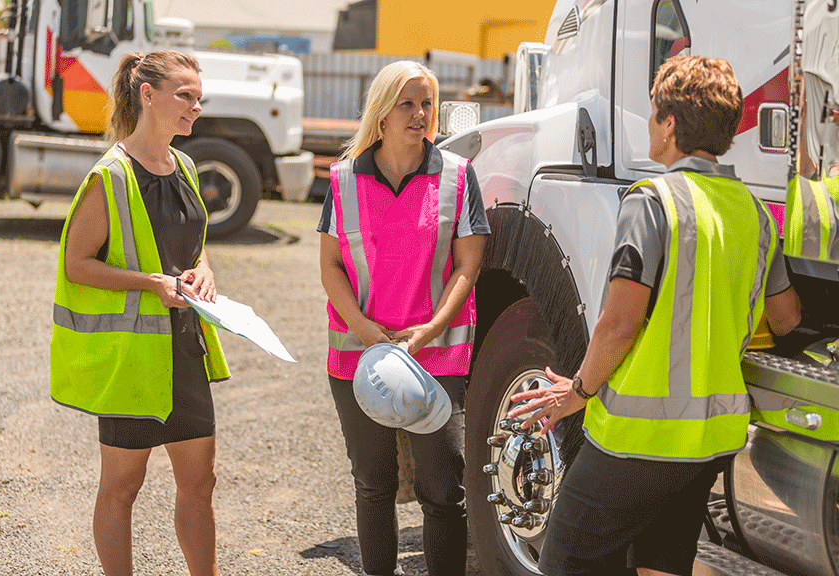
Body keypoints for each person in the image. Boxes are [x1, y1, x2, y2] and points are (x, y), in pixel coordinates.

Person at [508, 55, 802, 576]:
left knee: (567, 556)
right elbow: (786, 318)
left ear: (669, 125)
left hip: (637, 436)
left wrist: (577, 391)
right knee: (663, 563)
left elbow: (619, 324)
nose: (648, 124)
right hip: (710, 438)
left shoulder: (653, 201)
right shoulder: (753, 212)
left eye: (652, 114)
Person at [50, 51, 230, 576]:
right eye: (185, 96)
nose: (195, 107)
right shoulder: (110, 175)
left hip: (183, 348)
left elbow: (193, 246)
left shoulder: (188, 167)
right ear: (147, 95)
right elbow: (76, 265)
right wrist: (152, 284)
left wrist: (204, 270)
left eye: (199, 98)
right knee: (122, 489)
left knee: (201, 482)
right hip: (131, 360)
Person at [317, 60, 490, 576]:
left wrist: (432, 327)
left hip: (436, 356)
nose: (420, 115)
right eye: (407, 104)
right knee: (374, 484)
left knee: (442, 490)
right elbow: (329, 267)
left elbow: (469, 263)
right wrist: (365, 330)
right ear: (382, 113)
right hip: (358, 356)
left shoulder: (458, 176)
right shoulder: (344, 179)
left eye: (427, 104)